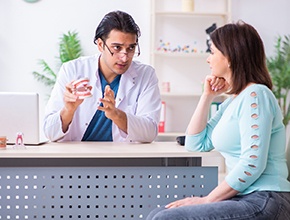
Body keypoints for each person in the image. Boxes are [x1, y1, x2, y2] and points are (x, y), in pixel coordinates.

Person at [146, 21, 290, 219]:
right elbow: (195, 144)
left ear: (230, 57)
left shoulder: (256, 95)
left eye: (212, 52)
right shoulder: (235, 100)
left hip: (266, 198)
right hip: (244, 196)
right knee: (159, 213)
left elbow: (252, 164)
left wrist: (206, 200)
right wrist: (207, 96)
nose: (208, 59)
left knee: (166, 218)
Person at [43, 11, 161, 142]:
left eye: (131, 48)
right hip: (77, 158)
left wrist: (116, 115)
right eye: (117, 47)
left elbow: (150, 132)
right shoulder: (73, 70)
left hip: (122, 158)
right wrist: (68, 110)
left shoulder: (146, 75)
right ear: (100, 45)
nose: (124, 57)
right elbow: (49, 132)